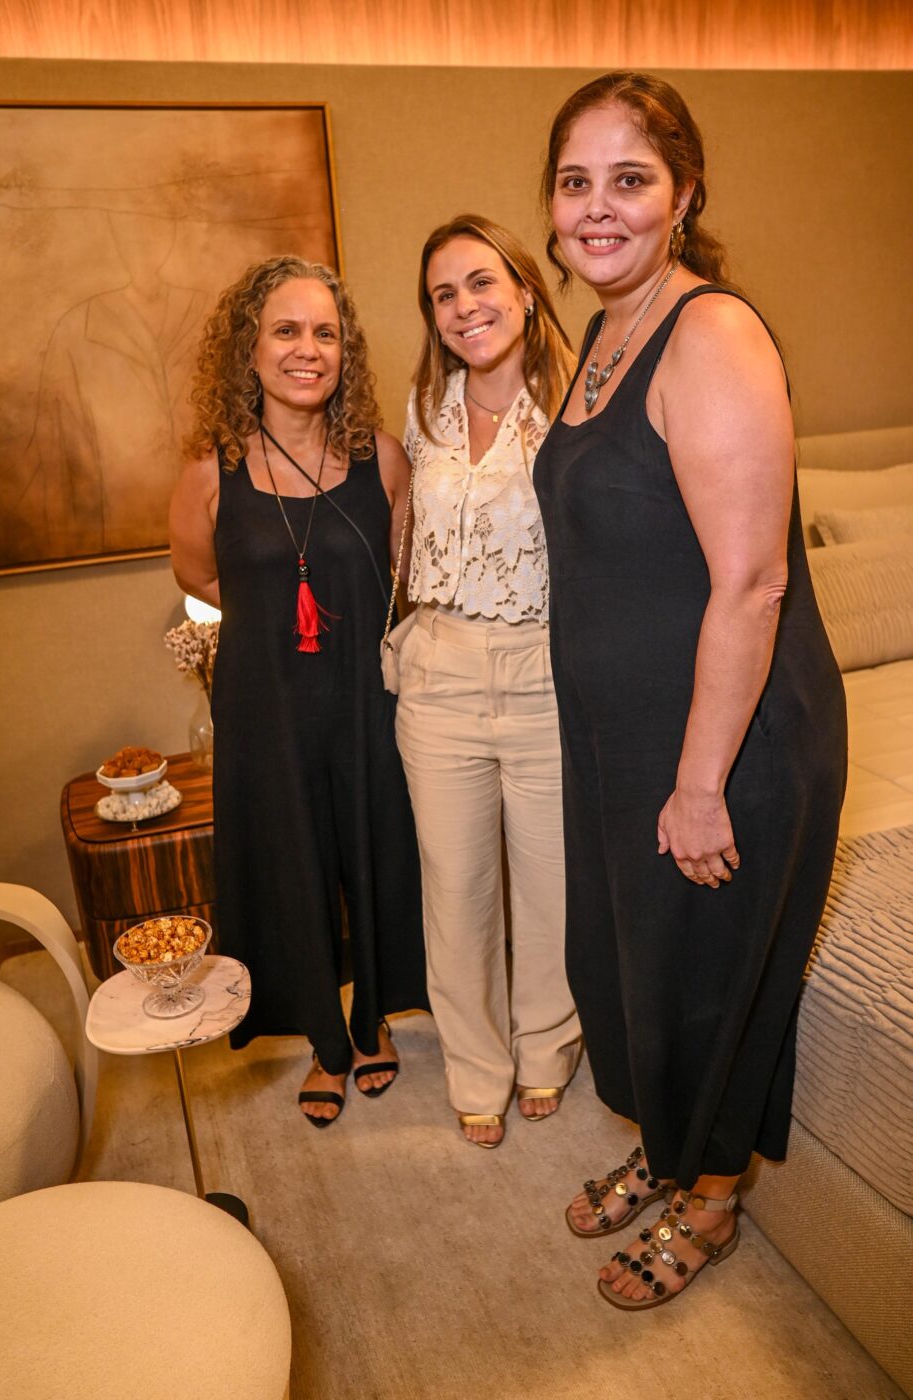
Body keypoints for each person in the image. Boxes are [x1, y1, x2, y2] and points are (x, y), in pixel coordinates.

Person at [531, 72, 846, 1306]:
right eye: (573, 181)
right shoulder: (601, 333)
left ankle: (708, 1201)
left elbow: (755, 579)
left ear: (682, 193)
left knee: (703, 966)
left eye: (629, 178)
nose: (597, 208)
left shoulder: (708, 331)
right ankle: (666, 1149)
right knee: (629, 961)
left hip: (728, 736)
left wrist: (701, 780)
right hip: (625, 730)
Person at [169, 255, 428, 1127]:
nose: (306, 350)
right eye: (285, 330)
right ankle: (323, 1036)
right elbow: (202, 577)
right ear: (248, 348)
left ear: (344, 350)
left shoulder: (382, 460)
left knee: (379, 851)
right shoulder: (212, 470)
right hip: (265, 707)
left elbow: (401, 575)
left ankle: (373, 1021)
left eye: (325, 332)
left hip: (368, 700)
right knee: (290, 865)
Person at [395, 214, 581, 1148]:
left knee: (550, 886)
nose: (464, 306)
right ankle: (477, 1065)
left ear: (523, 288)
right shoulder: (422, 412)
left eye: (480, 282)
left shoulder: (583, 402)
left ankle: (548, 1043)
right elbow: (403, 535)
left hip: (548, 671)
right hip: (440, 676)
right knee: (457, 888)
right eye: (443, 294)